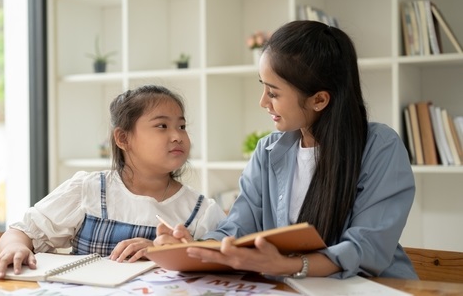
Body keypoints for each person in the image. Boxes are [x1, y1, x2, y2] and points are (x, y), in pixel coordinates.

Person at [154, 21, 418, 280]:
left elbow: (366, 248)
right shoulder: (267, 150)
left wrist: (287, 265)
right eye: (263, 87)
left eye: (273, 93)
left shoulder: (380, 147)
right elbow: (237, 228)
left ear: (319, 100)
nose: (262, 102)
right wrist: (195, 247)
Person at [0, 84, 226, 278]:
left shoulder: (201, 211)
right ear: (123, 138)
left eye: (182, 126)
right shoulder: (88, 190)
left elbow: (217, 265)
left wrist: (167, 253)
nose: (177, 136)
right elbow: (22, 231)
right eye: (162, 126)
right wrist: (15, 248)